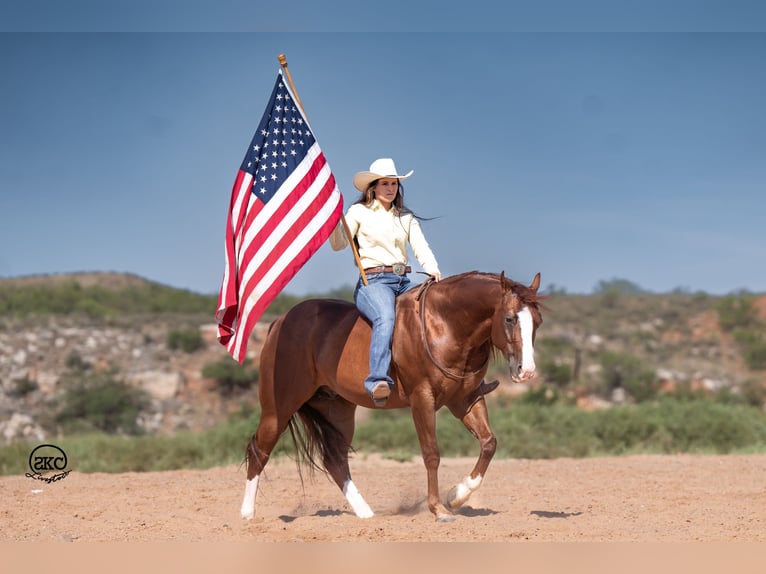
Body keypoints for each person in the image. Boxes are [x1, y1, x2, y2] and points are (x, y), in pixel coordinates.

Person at [330, 158, 442, 406]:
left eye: (394, 184)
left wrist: (433, 269)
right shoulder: (359, 212)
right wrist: (332, 223)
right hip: (373, 282)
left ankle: (437, 375)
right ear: (373, 187)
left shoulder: (406, 217)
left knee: (431, 314)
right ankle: (378, 380)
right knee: (386, 317)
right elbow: (339, 244)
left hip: (404, 280)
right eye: (385, 184)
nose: (390, 188)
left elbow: (421, 246)